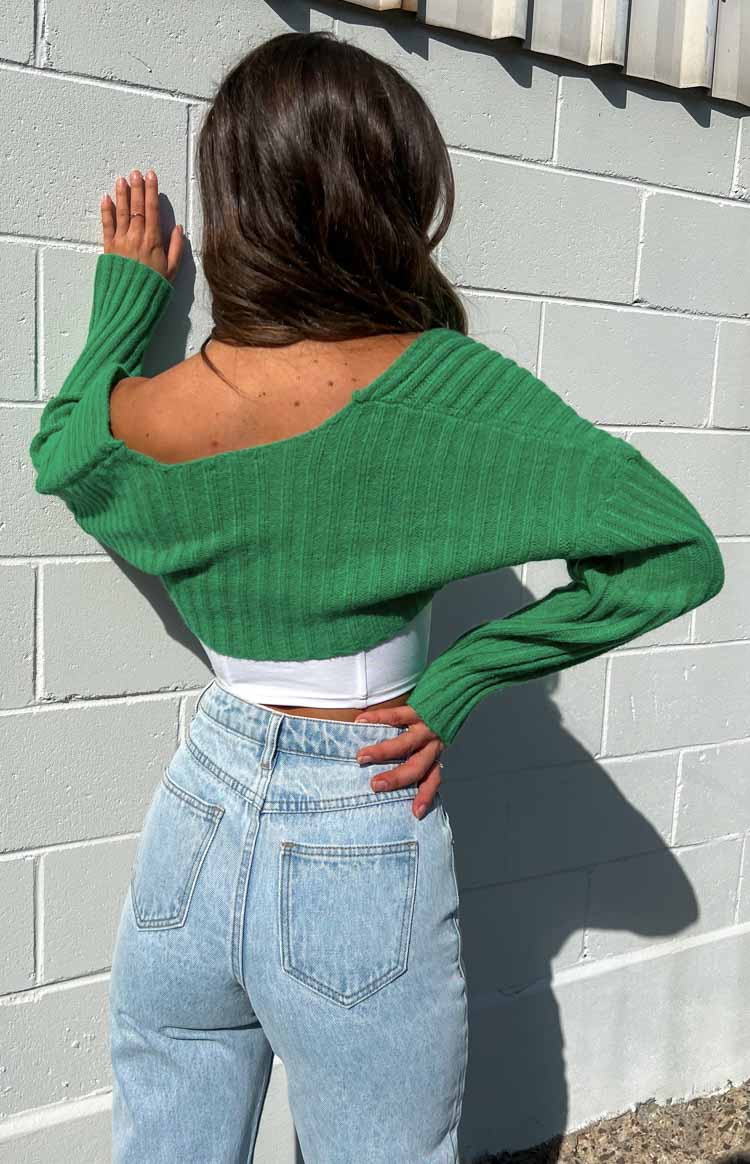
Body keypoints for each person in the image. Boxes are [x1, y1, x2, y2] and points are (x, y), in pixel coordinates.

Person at [27, 29, 724, 1164]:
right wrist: (460, 681)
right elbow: (676, 553)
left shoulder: (158, 412)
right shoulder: (445, 387)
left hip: (196, 813)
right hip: (357, 812)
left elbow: (62, 446)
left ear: (238, 201)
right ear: (388, 195)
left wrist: (125, 300)